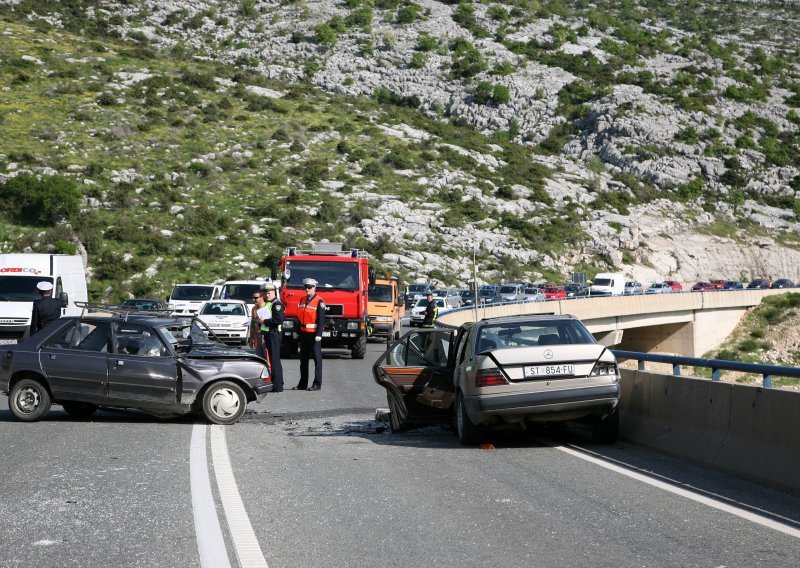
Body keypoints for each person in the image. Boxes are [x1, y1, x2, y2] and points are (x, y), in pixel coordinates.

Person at [294, 278, 325, 391]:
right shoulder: (302, 299)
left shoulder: (319, 301)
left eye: (309, 287)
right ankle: (302, 384)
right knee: (303, 360)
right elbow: (299, 318)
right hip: (303, 334)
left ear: (314, 288)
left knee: (317, 359)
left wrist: (319, 334)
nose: (307, 289)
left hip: (313, 335)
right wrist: (297, 332)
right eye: (305, 287)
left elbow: (321, 320)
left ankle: (317, 384)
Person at [257, 284, 284, 393]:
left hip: (274, 334)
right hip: (269, 333)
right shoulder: (269, 304)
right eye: (265, 293)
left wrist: (264, 321)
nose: (267, 295)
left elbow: (278, 320)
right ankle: (276, 383)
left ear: (274, 292)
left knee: (275, 360)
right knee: (272, 360)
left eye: (269, 293)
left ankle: (277, 386)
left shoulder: (277, 304)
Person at [249, 292, 268, 361]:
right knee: (259, 358)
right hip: (257, 336)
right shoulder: (254, 308)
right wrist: (251, 338)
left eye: (256, 298)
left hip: (265, 335)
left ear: (262, 297)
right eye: (253, 298)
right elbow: (252, 325)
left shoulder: (267, 307)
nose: (254, 299)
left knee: (267, 357)